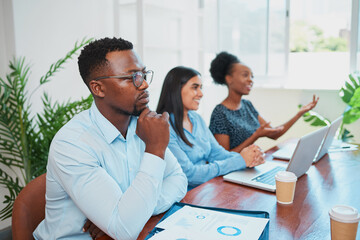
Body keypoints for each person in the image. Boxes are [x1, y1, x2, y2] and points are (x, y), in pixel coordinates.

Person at [33, 37, 187, 240]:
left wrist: (132, 212)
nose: (144, 84)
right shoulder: (71, 143)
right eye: (131, 77)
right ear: (98, 88)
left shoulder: (141, 125)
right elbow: (124, 229)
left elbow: (178, 180)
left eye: (143, 74)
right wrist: (155, 149)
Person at [156, 66, 265, 189]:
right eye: (195, 87)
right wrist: (240, 161)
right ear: (176, 89)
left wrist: (250, 157)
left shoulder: (196, 119)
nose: (201, 94)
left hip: (207, 188)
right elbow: (190, 174)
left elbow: (217, 153)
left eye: (201, 88)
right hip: (185, 196)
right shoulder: (164, 127)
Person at [209, 51, 319, 153]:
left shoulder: (247, 105)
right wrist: (255, 136)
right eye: (245, 75)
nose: (250, 80)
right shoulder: (220, 113)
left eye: (252, 76)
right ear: (229, 79)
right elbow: (224, 157)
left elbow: (274, 133)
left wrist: (299, 114)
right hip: (231, 172)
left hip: (248, 167)